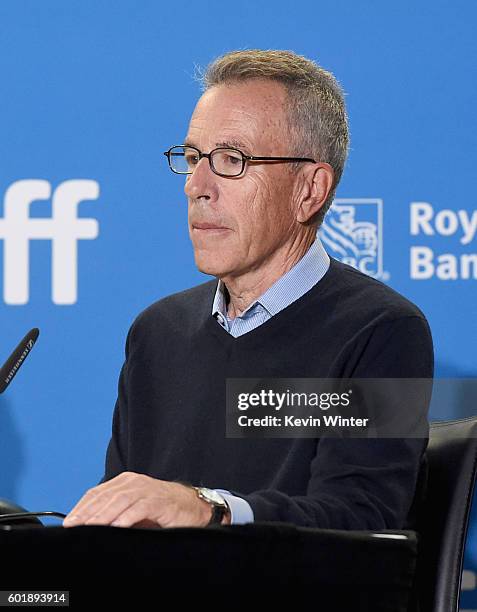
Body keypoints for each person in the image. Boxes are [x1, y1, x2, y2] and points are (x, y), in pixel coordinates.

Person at [63, 49, 433, 530]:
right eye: (193, 158)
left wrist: (210, 511)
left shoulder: (381, 331)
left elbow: (360, 522)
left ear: (310, 190)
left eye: (231, 160)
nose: (196, 186)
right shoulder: (157, 332)